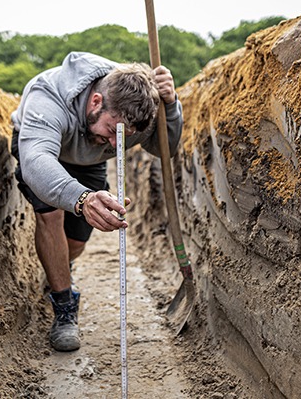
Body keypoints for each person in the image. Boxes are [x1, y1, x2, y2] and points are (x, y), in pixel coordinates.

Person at [10, 51, 183, 351]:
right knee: (51, 215)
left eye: (125, 138)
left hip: (89, 160)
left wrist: (171, 106)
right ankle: (64, 309)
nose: (118, 145)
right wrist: (82, 199)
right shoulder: (49, 97)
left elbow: (164, 148)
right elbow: (36, 161)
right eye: (112, 131)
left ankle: (58, 271)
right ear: (95, 103)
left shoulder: (133, 109)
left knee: (74, 243)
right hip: (41, 152)